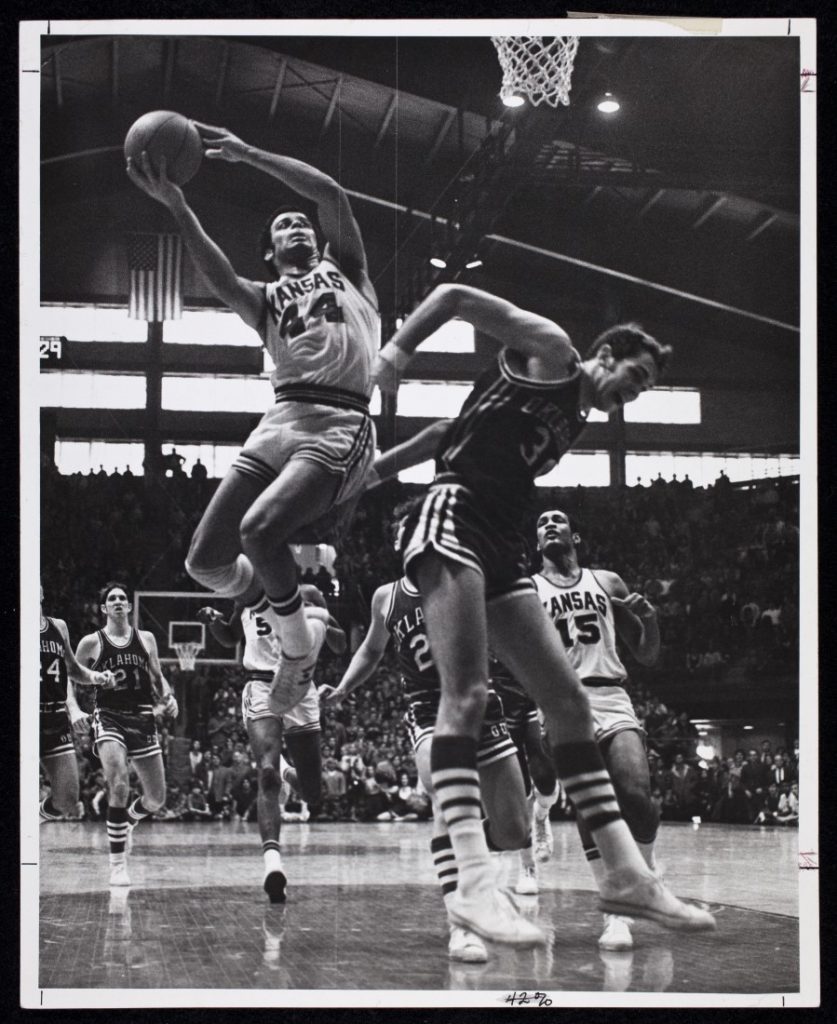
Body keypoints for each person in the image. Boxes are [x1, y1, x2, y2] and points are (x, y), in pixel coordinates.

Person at [374, 283, 714, 945]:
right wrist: (395, 351)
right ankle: (472, 886)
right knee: (466, 694)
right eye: (633, 376)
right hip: (454, 514)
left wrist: (378, 469)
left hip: (503, 536)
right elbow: (452, 296)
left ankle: (622, 874)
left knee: (567, 702)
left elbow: (453, 428)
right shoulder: (552, 352)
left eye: (643, 388)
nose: (633, 393)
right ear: (604, 355)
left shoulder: (577, 417)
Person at [127, 122, 378, 716]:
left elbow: (331, 195)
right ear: (269, 252)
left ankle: (297, 653)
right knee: (204, 560)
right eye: (281, 227)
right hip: (283, 415)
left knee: (260, 530)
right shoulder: (265, 298)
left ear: (317, 240)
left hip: (340, 419)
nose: (295, 227)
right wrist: (178, 205)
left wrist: (250, 153)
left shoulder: (349, 272)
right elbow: (216, 275)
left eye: (300, 224)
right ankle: (273, 599)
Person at [322, 574, 533, 961]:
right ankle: (462, 924)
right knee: (446, 791)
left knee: (515, 832)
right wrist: (343, 688)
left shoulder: (469, 580)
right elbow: (370, 651)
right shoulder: (387, 596)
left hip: (481, 705)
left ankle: (472, 859)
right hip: (429, 710)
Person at [532, 508, 666, 952]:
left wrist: (652, 620)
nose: (550, 524)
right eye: (542, 522)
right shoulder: (529, 591)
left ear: (576, 534)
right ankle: (616, 911)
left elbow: (645, 654)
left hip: (611, 696)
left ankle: (643, 880)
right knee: (593, 806)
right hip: (563, 703)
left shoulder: (607, 582)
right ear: (537, 543)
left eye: (559, 519)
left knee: (635, 794)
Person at [197, 584, 345, 903]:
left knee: (313, 793)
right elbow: (229, 637)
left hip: (300, 689)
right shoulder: (246, 597)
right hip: (260, 685)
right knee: (266, 774)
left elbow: (340, 643)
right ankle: (272, 866)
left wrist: (320, 620)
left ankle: (289, 772)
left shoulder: (306, 594)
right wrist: (214, 622)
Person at [75, 582, 179, 886]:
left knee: (157, 800)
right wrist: (74, 708)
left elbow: (158, 678)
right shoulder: (91, 642)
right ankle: (117, 865)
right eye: (112, 599)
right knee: (118, 784)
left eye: (122, 597)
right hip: (109, 717)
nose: (118, 601)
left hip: (144, 717)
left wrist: (169, 697)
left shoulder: (146, 639)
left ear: (129, 607)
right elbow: (70, 673)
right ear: (104, 609)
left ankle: (130, 819)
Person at [39, 585, 117, 823]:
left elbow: (71, 670)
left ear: (42, 593)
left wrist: (96, 677)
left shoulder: (58, 627)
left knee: (67, 799)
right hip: (25, 717)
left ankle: (33, 819)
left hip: (54, 718)